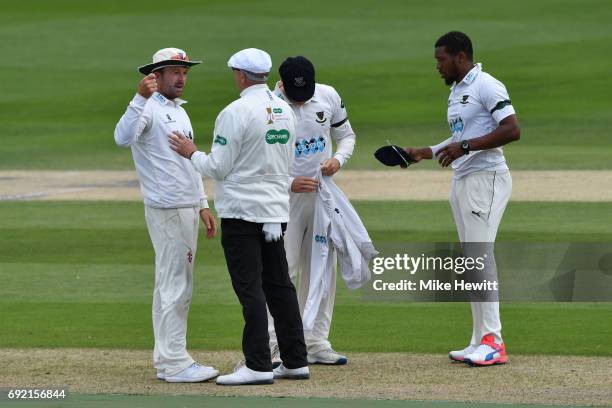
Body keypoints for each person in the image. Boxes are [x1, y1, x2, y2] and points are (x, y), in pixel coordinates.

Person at [169, 48, 309, 385]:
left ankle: (258, 364)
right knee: (279, 284)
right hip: (276, 210)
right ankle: (295, 360)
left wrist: (192, 153)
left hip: (242, 213)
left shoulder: (235, 111)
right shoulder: (285, 110)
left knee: (250, 287)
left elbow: (218, 166)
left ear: (241, 75)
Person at [404, 32, 520, 366]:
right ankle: (478, 339)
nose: (438, 66)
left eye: (441, 60)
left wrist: (465, 148)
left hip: (487, 179)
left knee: (480, 258)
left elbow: (512, 129)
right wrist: (424, 153)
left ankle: (494, 342)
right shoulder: (458, 92)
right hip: (464, 180)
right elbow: (459, 138)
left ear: (460, 57)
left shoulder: (487, 85)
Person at [113, 47, 219, 382]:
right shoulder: (148, 108)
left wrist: (202, 202)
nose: (182, 78)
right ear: (155, 76)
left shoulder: (177, 110)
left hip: (185, 205)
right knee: (177, 285)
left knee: (169, 284)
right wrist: (137, 99)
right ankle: (175, 362)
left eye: (185, 72)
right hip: (169, 208)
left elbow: (185, 163)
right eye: (175, 71)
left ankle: (166, 358)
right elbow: (121, 138)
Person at [267, 56, 356, 366]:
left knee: (322, 267)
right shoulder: (268, 105)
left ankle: (315, 341)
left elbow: (346, 137)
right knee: (283, 271)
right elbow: (255, 159)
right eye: (295, 94)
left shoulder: (328, 95)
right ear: (282, 83)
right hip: (283, 199)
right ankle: (275, 344)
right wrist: (289, 182)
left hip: (321, 194)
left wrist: (337, 161)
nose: (301, 99)